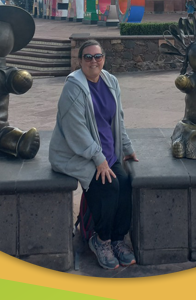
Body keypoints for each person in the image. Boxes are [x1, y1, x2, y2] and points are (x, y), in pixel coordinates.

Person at [48, 39, 138, 270]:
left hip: (107, 151)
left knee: (126, 182)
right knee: (108, 187)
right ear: (79, 61)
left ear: (104, 58)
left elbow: (118, 119)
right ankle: (101, 239)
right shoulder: (73, 87)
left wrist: (126, 148)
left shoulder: (110, 81)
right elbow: (74, 129)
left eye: (97, 56)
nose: (93, 61)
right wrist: (98, 159)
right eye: (87, 57)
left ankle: (118, 240)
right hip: (78, 154)